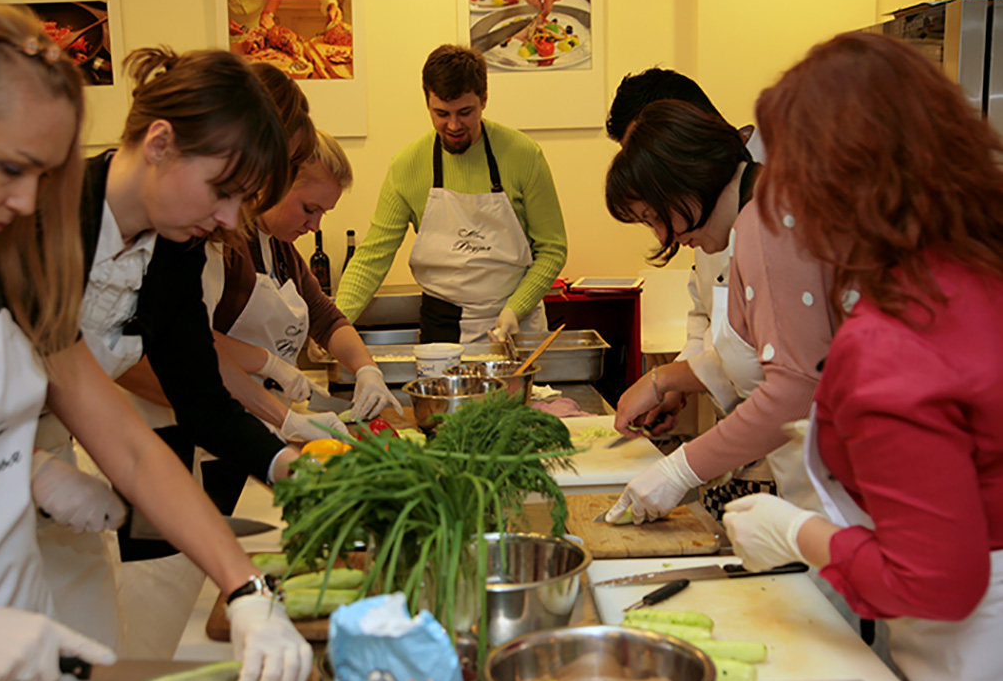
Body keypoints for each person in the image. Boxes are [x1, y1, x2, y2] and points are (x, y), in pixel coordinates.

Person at [0, 4, 309, 681]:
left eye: (42, 174)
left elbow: (129, 446)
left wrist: (245, 587)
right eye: (11, 168)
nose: (25, 203)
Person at [722, 31, 1003, 681]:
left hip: (975, 662)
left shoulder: (893, 343)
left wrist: (796, 533)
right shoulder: (977, 264)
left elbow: (935, 581)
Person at [41, 47, 313, 681]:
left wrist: (287, 466)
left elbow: (198, 401)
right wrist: (24, 468)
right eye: (223, 192)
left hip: (58, 451)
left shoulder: (175, 242)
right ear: (160, 143)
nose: (227, 219)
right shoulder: (43, 217)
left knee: (88, 670)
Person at [603, 100, 834, 525]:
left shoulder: (769, 225)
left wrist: (681, 469)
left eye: (655, 216)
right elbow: (762, 354)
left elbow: (795, 387)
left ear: (685, 180)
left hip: (856, 486)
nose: (660, 235)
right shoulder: (753, 218)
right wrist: (663, 378)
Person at [335, 44, 567, 344]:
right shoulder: (408, 166)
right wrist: (334, 326)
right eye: (441, 113)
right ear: (427, 102)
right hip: (443, 328)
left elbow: (552, 249)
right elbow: (372, 257)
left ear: (484, 99)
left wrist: (515, 309)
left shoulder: (523, 156)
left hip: (515, 324)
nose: (454, 125)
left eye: (465, 112)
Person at [604, 68, 759, 445]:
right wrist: (674, 382)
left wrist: (667, 378)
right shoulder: (714, 216)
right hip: (748, 436)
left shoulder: (769, 217)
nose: (663, 235)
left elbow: (778, 378)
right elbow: (705, 311)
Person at [212, 123, 403, 426]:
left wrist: (367, 369)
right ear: (276, 183)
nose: (314, 226)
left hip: (264, 421)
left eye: (322, 213)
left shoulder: (281, 250)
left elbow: (326, 319)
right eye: (309, 209)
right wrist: (270, 364)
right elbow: (189, 338)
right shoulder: (223, 244)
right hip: (217, 422)